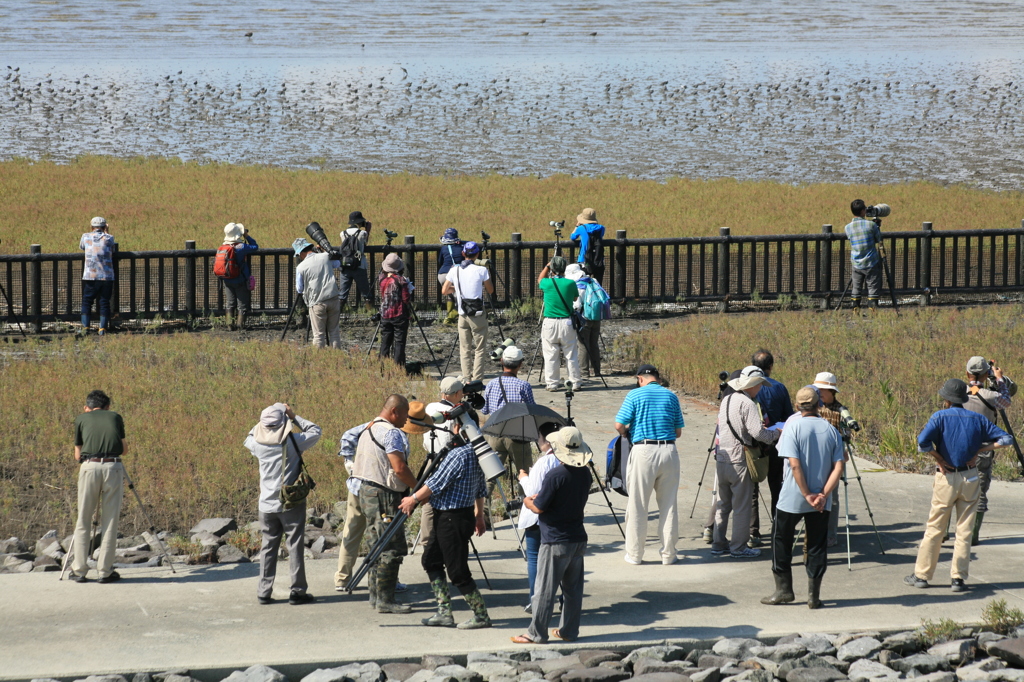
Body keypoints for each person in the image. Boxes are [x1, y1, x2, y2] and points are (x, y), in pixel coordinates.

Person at [904, 379, 1011, 593]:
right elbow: (1006, 439)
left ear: (946, 399)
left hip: (947, 477)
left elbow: (922, 443)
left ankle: (922, 575)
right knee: (964, 530)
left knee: (935, 527)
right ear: (962, 399)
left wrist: (938, 458)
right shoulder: (977, 419)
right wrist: (980, 451)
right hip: (970, 476)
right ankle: (958, 579)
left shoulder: (940, 417)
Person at [398, 414, 491, 630]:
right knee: (431, 560)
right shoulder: (480, 451)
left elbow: (436, 483)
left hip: (452, 518)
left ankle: (481, 615)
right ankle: (444, 612)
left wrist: (413, 499)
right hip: (457, 515)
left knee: (457, 571)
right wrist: (479, 515)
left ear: (458, 427)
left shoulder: (458, 454)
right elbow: (480, 488)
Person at [761, 387, 845, 609]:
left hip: (792, 496)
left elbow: (794, 464)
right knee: (817, 545)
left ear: (797, 406)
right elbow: (839, 467)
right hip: (821, 500)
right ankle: (813, 596)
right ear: (819, 404)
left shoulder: (792, 426)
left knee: (781, 541)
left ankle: (783, 590)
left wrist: (806, 493)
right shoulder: (831, 430)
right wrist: (823, 494)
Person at [512, 427, 593, 644]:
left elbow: (538, 507)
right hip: (578, 537)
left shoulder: (555, 474)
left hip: (556, 540)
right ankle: (569, 631)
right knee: (573, 590)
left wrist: (526, 501)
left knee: (544, 590)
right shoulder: (585, 473)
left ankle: (536, 633)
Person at [243, 402, 322, 605]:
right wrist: (293, 416)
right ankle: (297, 591)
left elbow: (249, 436)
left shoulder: (256, 444)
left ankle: (264, 591)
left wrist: (266, 419)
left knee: (268, 547)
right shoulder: (294, 441)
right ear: (284, 424)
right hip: (290, 503)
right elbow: (315, 430)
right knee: (294, 546)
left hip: (266, 506)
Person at [350, 394, 419, 612]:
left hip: (367, 492)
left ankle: (375, 596)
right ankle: (386, 601)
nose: (406, 420)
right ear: (395, 411)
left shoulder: (368, 428)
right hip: (384, 495)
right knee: (391, 546)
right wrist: (418, 490)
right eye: (405, 414)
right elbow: (399, 468)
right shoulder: (391, 433)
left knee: (375, 544)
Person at [614, 364, 685, 565]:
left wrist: (625, 433)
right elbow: (678, 431)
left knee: (638, 504)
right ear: (657, 378)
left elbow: (619, 425)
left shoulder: (635, 395)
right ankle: (669, 555)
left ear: (640, 378)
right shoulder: (671, 396)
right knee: (669, 505)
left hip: (644, 450)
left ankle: (635, 554)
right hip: (669, 451)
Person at [713, 366, 781, 558]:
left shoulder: (727, 400)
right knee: (742, 506)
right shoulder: (748, 403)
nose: (760, 388)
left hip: (722, 458)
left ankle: (718, 544)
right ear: (753, 385)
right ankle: (738, 547)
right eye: (759, 384)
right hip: (739, 460)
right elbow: (758, 433)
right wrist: (776, 434)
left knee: (723, 504)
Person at [69, 390, 127, 583]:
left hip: (89, 467)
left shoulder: (81, 419)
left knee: (84, 518)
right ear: (108, 407)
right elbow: (125, 449)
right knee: (110, 520)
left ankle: (79, 570)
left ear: (87, 407)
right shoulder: (115, 417)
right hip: (113, 466)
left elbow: (77, 455)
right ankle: (105, 571)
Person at [963, 356, 1013, 544]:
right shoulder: (992, 396)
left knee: (952, 489)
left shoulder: (958, 392)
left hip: (958, 448)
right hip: (983, 449)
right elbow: (1006, 401)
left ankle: (944, 531)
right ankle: (973, 535)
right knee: (980, 490)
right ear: (986, 374)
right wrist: (999, 379)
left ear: (967, 373)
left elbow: (973, 390)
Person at [749, 350, 793, 547]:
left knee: (752, 489)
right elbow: (788, 418)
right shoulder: (780, 388)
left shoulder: (746, 389)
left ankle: (753, 532)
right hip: (776, 444)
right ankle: (778, 527)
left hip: (753, 446)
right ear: (771, 367)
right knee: (777, 485)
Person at [517, 422, 562, 612]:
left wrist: (523, 478)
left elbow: (533, 492)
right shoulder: (567, 458)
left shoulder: (544, 461)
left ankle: (535, 601)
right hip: (559, 516)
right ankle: (562, 599)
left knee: (535, 559)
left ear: (543, 440)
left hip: (537, 517)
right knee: (558, 562)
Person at [419, 377, 466, 549]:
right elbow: (457, 440)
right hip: (449, 460)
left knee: (428, 498)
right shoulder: (455, 413)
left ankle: (426, 543)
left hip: (432, 457)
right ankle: (448, 543)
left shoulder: (430, 407)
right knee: (450, 502)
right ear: (456, 393)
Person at [811, 372, 855, 547]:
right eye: (818, 390)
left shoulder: (840, 410)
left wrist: (844, 446)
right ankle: (815, 531)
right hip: (815, 457)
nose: (820, 393)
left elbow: (848, 433)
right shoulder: (813, 408)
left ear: (832, 391)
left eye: (824, 390)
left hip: (833, 459)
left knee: (832, 497)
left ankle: (831, 534)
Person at [481, 345, 537, 483]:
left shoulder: (491, 384)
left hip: (495, 433)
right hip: (516, 433)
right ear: (520, 364)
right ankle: (525, 501)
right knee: (525, 473)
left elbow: (485, 410)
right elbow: (532, 411)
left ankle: (483, 504)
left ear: (502, 361)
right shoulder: (524, 386)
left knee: (490, 476)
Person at [442, 242, 493, 382]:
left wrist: (456, 289)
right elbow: (490, 290)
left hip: (462, 314)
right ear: (477, 254)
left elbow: (444, 290)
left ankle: (466, 378)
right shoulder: (481, 270)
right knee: (480, 349)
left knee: (465, 349)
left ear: (463, 254)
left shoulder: (455, 270)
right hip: (477, 314)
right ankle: (477, 379)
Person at [537, 256, 580, 392]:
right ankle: (575, 382)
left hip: (550, 322)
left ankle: (552, 383)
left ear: (553, 269)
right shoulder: (570, 283)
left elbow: (539, 280)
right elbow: (575, 298)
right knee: (571, 354)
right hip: (567, 322)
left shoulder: (547, 283)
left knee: (550, 354)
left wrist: (547, 266)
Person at [294, 229, 342, 349]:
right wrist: (324, 250)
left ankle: (319, 360)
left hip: (317, 303)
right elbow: (337, 263)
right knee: (334, 333)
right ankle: (337, 358)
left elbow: (299, 289)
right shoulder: (325, 257)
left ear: (301, 253)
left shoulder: (301, 267)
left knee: (319, 335)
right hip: (334, 298)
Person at [844, 199, 883, 314]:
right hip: (871, 262)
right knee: (872, 287)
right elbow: (878, 239)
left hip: (856, 262)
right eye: (865, 209)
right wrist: (877, 226)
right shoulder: (871, 225)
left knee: (856, 287)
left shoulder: (847, 227)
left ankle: (855, 310)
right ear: (862, 211)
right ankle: (873, 309)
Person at [79, 217, 116, 336]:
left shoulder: (85, 236)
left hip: (90, 275)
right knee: (104, 301)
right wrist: (107, 232)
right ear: (105, 226)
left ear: (91, 227)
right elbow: (112, 249)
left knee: (87, 301)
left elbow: (82, 247)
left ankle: (86, 328)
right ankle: (102, 329)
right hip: (107, 276)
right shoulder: (109, 238)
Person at [566, 264, 604, 380]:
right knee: (594, 344)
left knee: (583, 345)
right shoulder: (593, 281)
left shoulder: (579, 285)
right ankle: (597, 370)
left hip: (584, 318)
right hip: (596, 317)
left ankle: (584, 372)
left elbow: (577, 305)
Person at [219, 222, 259, 331]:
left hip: (227, 279)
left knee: (230, 303)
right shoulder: (241, 247)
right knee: (242, 304)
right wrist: (246, 235)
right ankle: (240, 326)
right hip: (240, 279)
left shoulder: (223, 247)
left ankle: (229, 325)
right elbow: (255, 246)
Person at [377, 253, 414, 369]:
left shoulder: (381, 279)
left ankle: (382, 367)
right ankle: (398, 369)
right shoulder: (401, 280)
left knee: (385, 341)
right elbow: (406, 299)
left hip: (385, 314)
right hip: (399, 314)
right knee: (399, 342)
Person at [338, 211, 375, 313]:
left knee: (342, 295)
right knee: (366, 293)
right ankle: (370, 314)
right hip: (359, 265)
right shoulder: (362, 233)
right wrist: (368, 230)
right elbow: (365, 243)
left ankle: (337, 315)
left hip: (345, 265)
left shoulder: (342, 233)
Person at [570, 208, 606, 284]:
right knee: (598, 284)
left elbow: (572, 237)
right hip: (598, 258)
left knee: (584, 283)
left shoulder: (581, 228)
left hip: (584, 258)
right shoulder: (601, 228)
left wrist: (577, 226)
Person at [436, 228, 465, 323]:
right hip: (454, 274)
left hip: (442, 274)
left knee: (450, 295)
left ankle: (449, 315)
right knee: (460, 298)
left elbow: (440, 261)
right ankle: (450, 318)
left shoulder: (444, 248)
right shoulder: (461, 247)